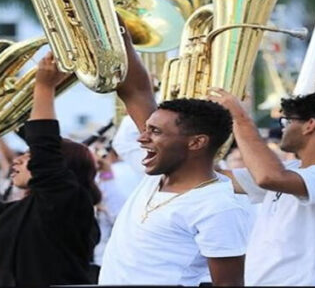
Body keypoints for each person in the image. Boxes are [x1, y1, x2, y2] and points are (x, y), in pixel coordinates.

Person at [0, 52, 101, 286]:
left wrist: (44, 87)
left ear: (62, 167)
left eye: (28, 157)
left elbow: (45, 152)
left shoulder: (70, 204)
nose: (17, 161)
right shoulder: (12, 213)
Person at [209, 88, 315, 286]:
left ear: (310, 125)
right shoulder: (292, 169)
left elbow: (268, 177)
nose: (284, 129)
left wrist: (241, 118)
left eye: (288, 121)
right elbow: (212, 178)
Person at [100, 99, 251, 286]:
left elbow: (228, 284)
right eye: (146, 129)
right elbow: (137, 93)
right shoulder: (156, 175)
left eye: (155, 131)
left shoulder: (218, 206)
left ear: (196, 142)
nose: (142, 138)